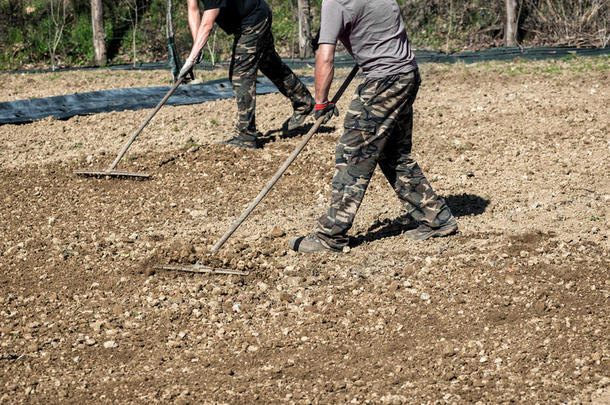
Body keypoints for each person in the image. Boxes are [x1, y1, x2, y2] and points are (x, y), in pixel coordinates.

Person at [289, 0, 458, 253]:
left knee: (352, 155)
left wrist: (321, 103)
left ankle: (330, 236)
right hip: (407, 74)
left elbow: (325, 57)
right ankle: (435, 218)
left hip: (382, 82)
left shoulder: (334, 2)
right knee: (393, 153)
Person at [180, 0, 315, 149]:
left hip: (253, 20)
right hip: (252, 17)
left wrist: (191, 58)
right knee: (270, 64)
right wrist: (196, 47)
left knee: (241, 75)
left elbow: (207, 25)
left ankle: (246, 136)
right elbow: (193, 9)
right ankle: (304, 102)